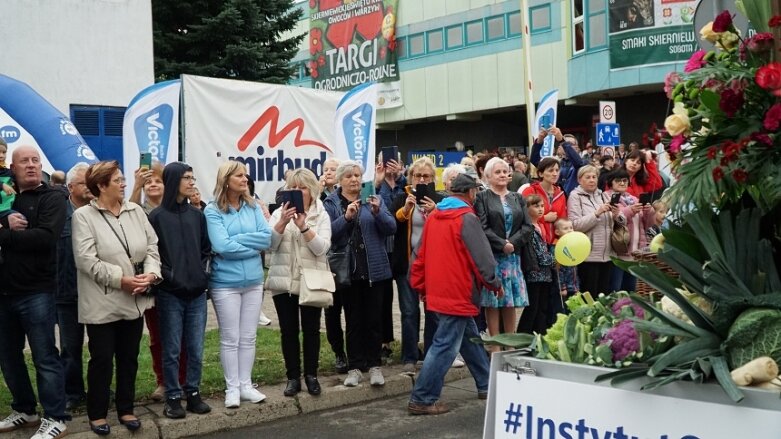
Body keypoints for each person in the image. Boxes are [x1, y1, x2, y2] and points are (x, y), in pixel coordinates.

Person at [72, 160, 161, 435]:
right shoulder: (83, 216)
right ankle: (97, 413)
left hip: (134, 299)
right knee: (101, 359)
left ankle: (126, 408)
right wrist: (119, 279)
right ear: (100, 186)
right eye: (118, 180)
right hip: (102, 300)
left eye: (123, 180)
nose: (124, 184)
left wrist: (151, 275)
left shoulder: (135, 211)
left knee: (129, 357)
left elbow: (152, 248)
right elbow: (85, 260)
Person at [407, 174, 502, 415]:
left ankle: (486, 385)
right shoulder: (466, 217)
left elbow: (419, 255)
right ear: (471, 193)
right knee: (445, 345)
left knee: (469, 337)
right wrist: (494, 282)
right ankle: (423, 398)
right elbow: (482, 257)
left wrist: (420, 286)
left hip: (438, 289)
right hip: (459, 291)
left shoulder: (435, 215)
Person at [0, 145, 69, 439]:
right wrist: (5, 225)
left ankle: (56, 417)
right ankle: (25, 410)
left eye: (35, 160)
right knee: (8, 357)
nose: (30, 165)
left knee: (44, 356)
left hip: (36, 292)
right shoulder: (5, 196)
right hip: (3, 293)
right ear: (12, 168)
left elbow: (45, 238)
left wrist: (6, 235)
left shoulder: (52, 197)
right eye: (23, 161)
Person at [323, 160, 396, 387]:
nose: (355, 179)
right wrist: (346, 218)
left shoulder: (374, 198)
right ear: (340, 181)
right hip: (348, 272)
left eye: (357, 175)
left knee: (374, 320)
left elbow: (391, 228)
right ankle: (354, 367)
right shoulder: (332, 202)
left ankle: (374, 366)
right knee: (353, 321)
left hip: (374, 270)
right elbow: (329, 234)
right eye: (349, 176)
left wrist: (377, 213)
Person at [148, 162, 212, 419]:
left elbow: (206, 251)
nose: (191, 182)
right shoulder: (156, 217)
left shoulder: (197, 215)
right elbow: (152, 254)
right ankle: (173, 396)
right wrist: (171, 277)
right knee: (171, 347)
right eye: (186, 178)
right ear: (174, 180)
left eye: (193, 177)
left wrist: (203, 275)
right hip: (170, 294)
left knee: (195, 347)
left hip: (196, 294)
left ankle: (193, 392)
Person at [205, 161, 271, 408]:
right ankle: (232, 388)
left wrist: (238, 240)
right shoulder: (212, 210)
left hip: (254, 281)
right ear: (226, 180)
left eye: (246, 175)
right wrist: (250, 245)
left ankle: (246, 385)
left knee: (249, 337)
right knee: (230, 338)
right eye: (240, 175)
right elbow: (221, 246)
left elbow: (267, 238)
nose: (246, 179)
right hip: (225, 283)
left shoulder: (253, 206)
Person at [266, 169, 331, 397]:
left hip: (311, 280)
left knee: (312, 330)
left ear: (312, 190)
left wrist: (304, 227)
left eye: (302, 187)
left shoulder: (321, 214)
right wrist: (282, 223)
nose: (296, 192)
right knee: (288, 331)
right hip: (283, 280)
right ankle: (292, 377)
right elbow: (269, 246)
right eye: (292, 187)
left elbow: (322, 249)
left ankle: (311, 375)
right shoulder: (277, 214)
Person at [129, 162, 179, 401]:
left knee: (180, 335)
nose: (153, 184)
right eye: (148, 181)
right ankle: (162, 381)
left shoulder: (177, 208)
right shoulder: (138, 211)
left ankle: (182, 379)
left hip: (176, 280)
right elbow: (126, 214)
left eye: (157, 180)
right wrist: (136, 186)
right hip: (151, 282)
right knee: (157, 335)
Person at [474, 157, 533, 353]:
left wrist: (512, 243)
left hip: (513, 256)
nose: (502, 175)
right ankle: (495, 344)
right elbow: (482, 226)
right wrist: (501, 244)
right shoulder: (482, 197)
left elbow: (527, 226)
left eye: (504, 171)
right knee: (493, 300)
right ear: (488, 175)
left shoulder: (517, 197)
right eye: (497, 172)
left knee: (510, 300)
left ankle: (511, 342)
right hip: (493, 255)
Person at [390, 157, 443, 374]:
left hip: (434, 265)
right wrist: (406, 208)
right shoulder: (402, 197)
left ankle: (430, 354)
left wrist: (435, 211)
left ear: (432, 179)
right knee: (409, 311)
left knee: (433, 311)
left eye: (426, 176)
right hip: (408, 265)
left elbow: (448, 226)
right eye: (417, 176)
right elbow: (392, 224)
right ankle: (409, 356)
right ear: (411, 177)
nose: (421, 179)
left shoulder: (440, 199)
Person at [56, 163, 92, 412]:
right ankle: (73, 391)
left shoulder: (98, 211)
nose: (89, 187)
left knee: (101, 347)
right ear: (70, 187)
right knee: (69, 347)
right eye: (83, 183)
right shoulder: (58, 213)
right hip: (66, 292)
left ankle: (99, 389)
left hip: (96, 292)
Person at [373, 152, 406, 362]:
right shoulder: (375, 185)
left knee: (408, 302)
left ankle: (410, 344)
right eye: (384, 161)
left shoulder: (406, 184)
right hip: (383, 248)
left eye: (394, 160)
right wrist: (380, 180)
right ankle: (383, 342)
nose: (389, 165)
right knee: (383, 299)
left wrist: (400, 177)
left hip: (403, 249)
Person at [567, 165, 619, 295]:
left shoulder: (603, 195)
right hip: (588, 256)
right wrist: (597, 213)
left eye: (594, 177)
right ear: (579, 180)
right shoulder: (575, 196)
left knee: (604, 296)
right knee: (590, 296)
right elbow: (575, 225)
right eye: (588, 177)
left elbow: (617, 221)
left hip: (607, 254)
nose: (592, 180)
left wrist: (617, 214)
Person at [605, 170, 656, 292]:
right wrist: (631, 210)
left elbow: (648, 224)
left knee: (631, 289)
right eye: (618, 180)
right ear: (611, 183)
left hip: (636, 251)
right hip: (619, 250)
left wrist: (649, 211)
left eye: (625, 180)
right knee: (616, 289)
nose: (622, 183)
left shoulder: (633, 198)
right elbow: (616, 220)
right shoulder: (607, 196)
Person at [517, 194, 557, 334]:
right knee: (532, 307)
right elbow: (539, 253)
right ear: (526, 209)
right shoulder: (529, 229)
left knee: (542, 307)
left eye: (542, 206)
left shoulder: (540, 226)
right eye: (536, 206)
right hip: (534, 273)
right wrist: (554, 260)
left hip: (545, 274)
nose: (540, 209)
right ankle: (524, 334)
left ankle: (539, 334)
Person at [522, 157, 567, 245]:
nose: (555, 174)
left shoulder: (560, 194)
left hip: (555, 243)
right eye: (551, 171)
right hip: (534, 242)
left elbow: (562, 219)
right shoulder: (530, 191)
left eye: (557, 170)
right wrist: (544, 218)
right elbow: (523, 216)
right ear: (541, 173)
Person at [530, 127, 586, 196]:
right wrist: (539, 141)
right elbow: (534, 160)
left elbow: (578, 163)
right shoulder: (556, 163)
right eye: (564, 143)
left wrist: (562, 140)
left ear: (577, 148)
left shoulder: (583, 163)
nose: (566, 146)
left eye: (570, 144)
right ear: (560, 147)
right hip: (557, 199)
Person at [553, 219, 579, 300]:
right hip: (563, 289)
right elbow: (558, 270)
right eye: (565, 228)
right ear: (557, 232)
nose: (569, 231)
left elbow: (574, 270)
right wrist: (562, 287)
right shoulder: (556, 247)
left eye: (571, 228)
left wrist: (576, 287)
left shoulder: (572, 247)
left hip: (572, 288)